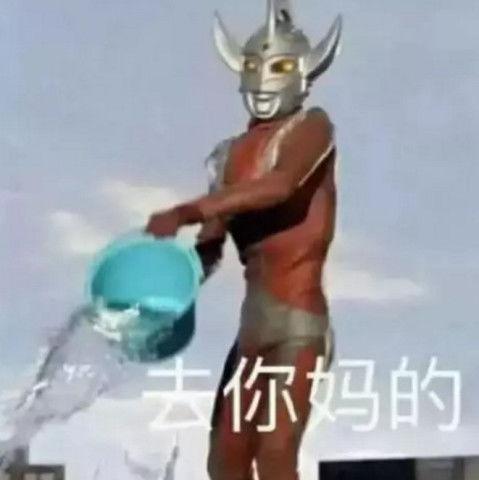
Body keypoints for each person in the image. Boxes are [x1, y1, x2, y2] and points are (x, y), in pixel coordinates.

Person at [146, 1, 342, 478]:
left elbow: (280, 185)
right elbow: (210, 247)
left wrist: (188, 210)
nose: (264, 80)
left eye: (278, 68)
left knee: (275, 455)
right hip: (252, 333)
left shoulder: (311, 128)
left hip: (298, 324)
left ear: (302, 72)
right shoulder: (229, 157)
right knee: (226, 461)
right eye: (254, 66)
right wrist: (163, 292)